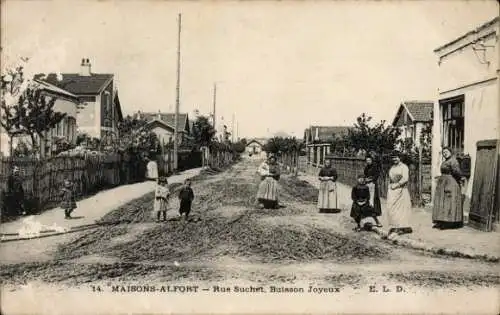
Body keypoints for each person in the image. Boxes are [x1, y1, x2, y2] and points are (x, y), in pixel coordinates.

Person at [432, 147, 465, 229]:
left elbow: (457, 172)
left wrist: (461, 179)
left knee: (448, 202)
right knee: (441, 202)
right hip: (443, 183)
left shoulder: (453, 161)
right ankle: (441, 221)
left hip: (451, 183)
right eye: (443, 152)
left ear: (450, 152)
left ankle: (448, 223)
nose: (444, 153)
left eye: (446, 152)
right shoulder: (445, 161)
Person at [385, 151, 413, 237]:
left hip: (401, 189)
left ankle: (400, 227)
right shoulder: (393, 167)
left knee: (400, 209)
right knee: (391, 208)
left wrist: (397, 185)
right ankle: (395, 225)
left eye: (396, 157)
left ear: (400, 157)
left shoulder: (404, 167)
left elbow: (405, 179)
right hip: (393, 190)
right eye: (393, 157)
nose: (394, 159)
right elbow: (390, 177)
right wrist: (391, 186)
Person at [364, 155, 382, 227]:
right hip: (367, 185)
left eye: (369, 160)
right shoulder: (366, 167)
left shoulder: (375, 167)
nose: (368, 162)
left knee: (373, 200)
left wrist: (371, 179)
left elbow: (377, 175)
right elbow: (365, 175)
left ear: (372, 160)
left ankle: (375, 216)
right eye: (367, 160)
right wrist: (365, 179)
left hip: (373, 184)